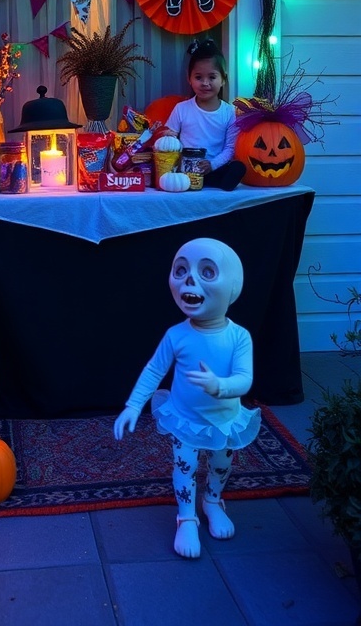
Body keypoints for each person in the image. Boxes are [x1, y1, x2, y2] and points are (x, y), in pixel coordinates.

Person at [114, 238, 261, 559]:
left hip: (224, 419)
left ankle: (212, 502)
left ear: (233, 286)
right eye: (181, 270)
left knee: (221, 463)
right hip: (185, 419)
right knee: (186, 465)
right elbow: (154, 371)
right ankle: (186, 517)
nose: (189, 280)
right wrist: (133, 405)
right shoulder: (176, 335)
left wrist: (218, 386)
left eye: (207, 272)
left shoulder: (239, 337)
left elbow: (244, 380)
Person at [164, 37, 246, 191]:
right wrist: (168, 136)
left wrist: (212, 164)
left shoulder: (229, 112)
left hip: (214, 167)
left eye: (212, 77)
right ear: (189, 78)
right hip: (186, 169)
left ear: (223, 79)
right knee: (170, 174)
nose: (205, 83)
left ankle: (220, 181)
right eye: (198, 77)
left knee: (237, 167)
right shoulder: (181, 109)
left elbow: (230, 148)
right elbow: (170, 140)